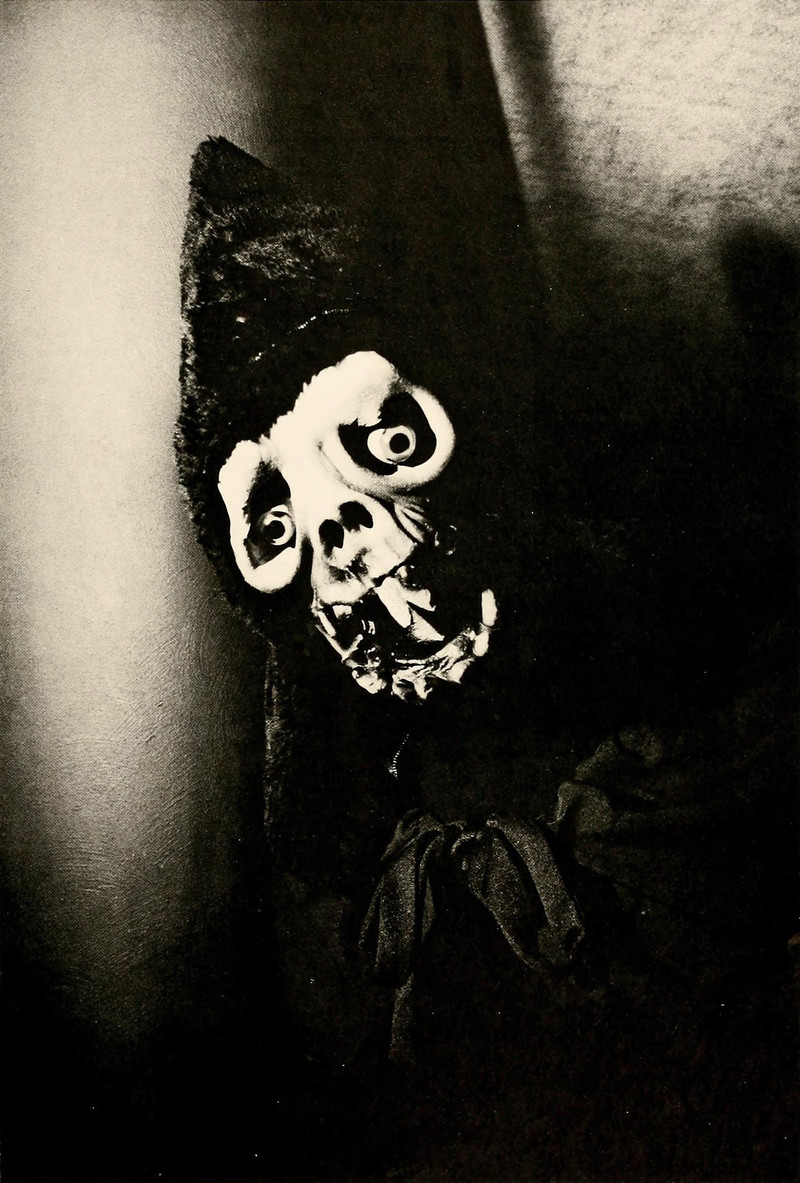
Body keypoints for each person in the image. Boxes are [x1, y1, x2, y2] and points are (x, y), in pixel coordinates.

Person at [178, 138, 797, 1181]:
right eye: (277, 522)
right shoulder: (372, 842)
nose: (340, 535)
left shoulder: (678, 723)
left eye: (382, 444)